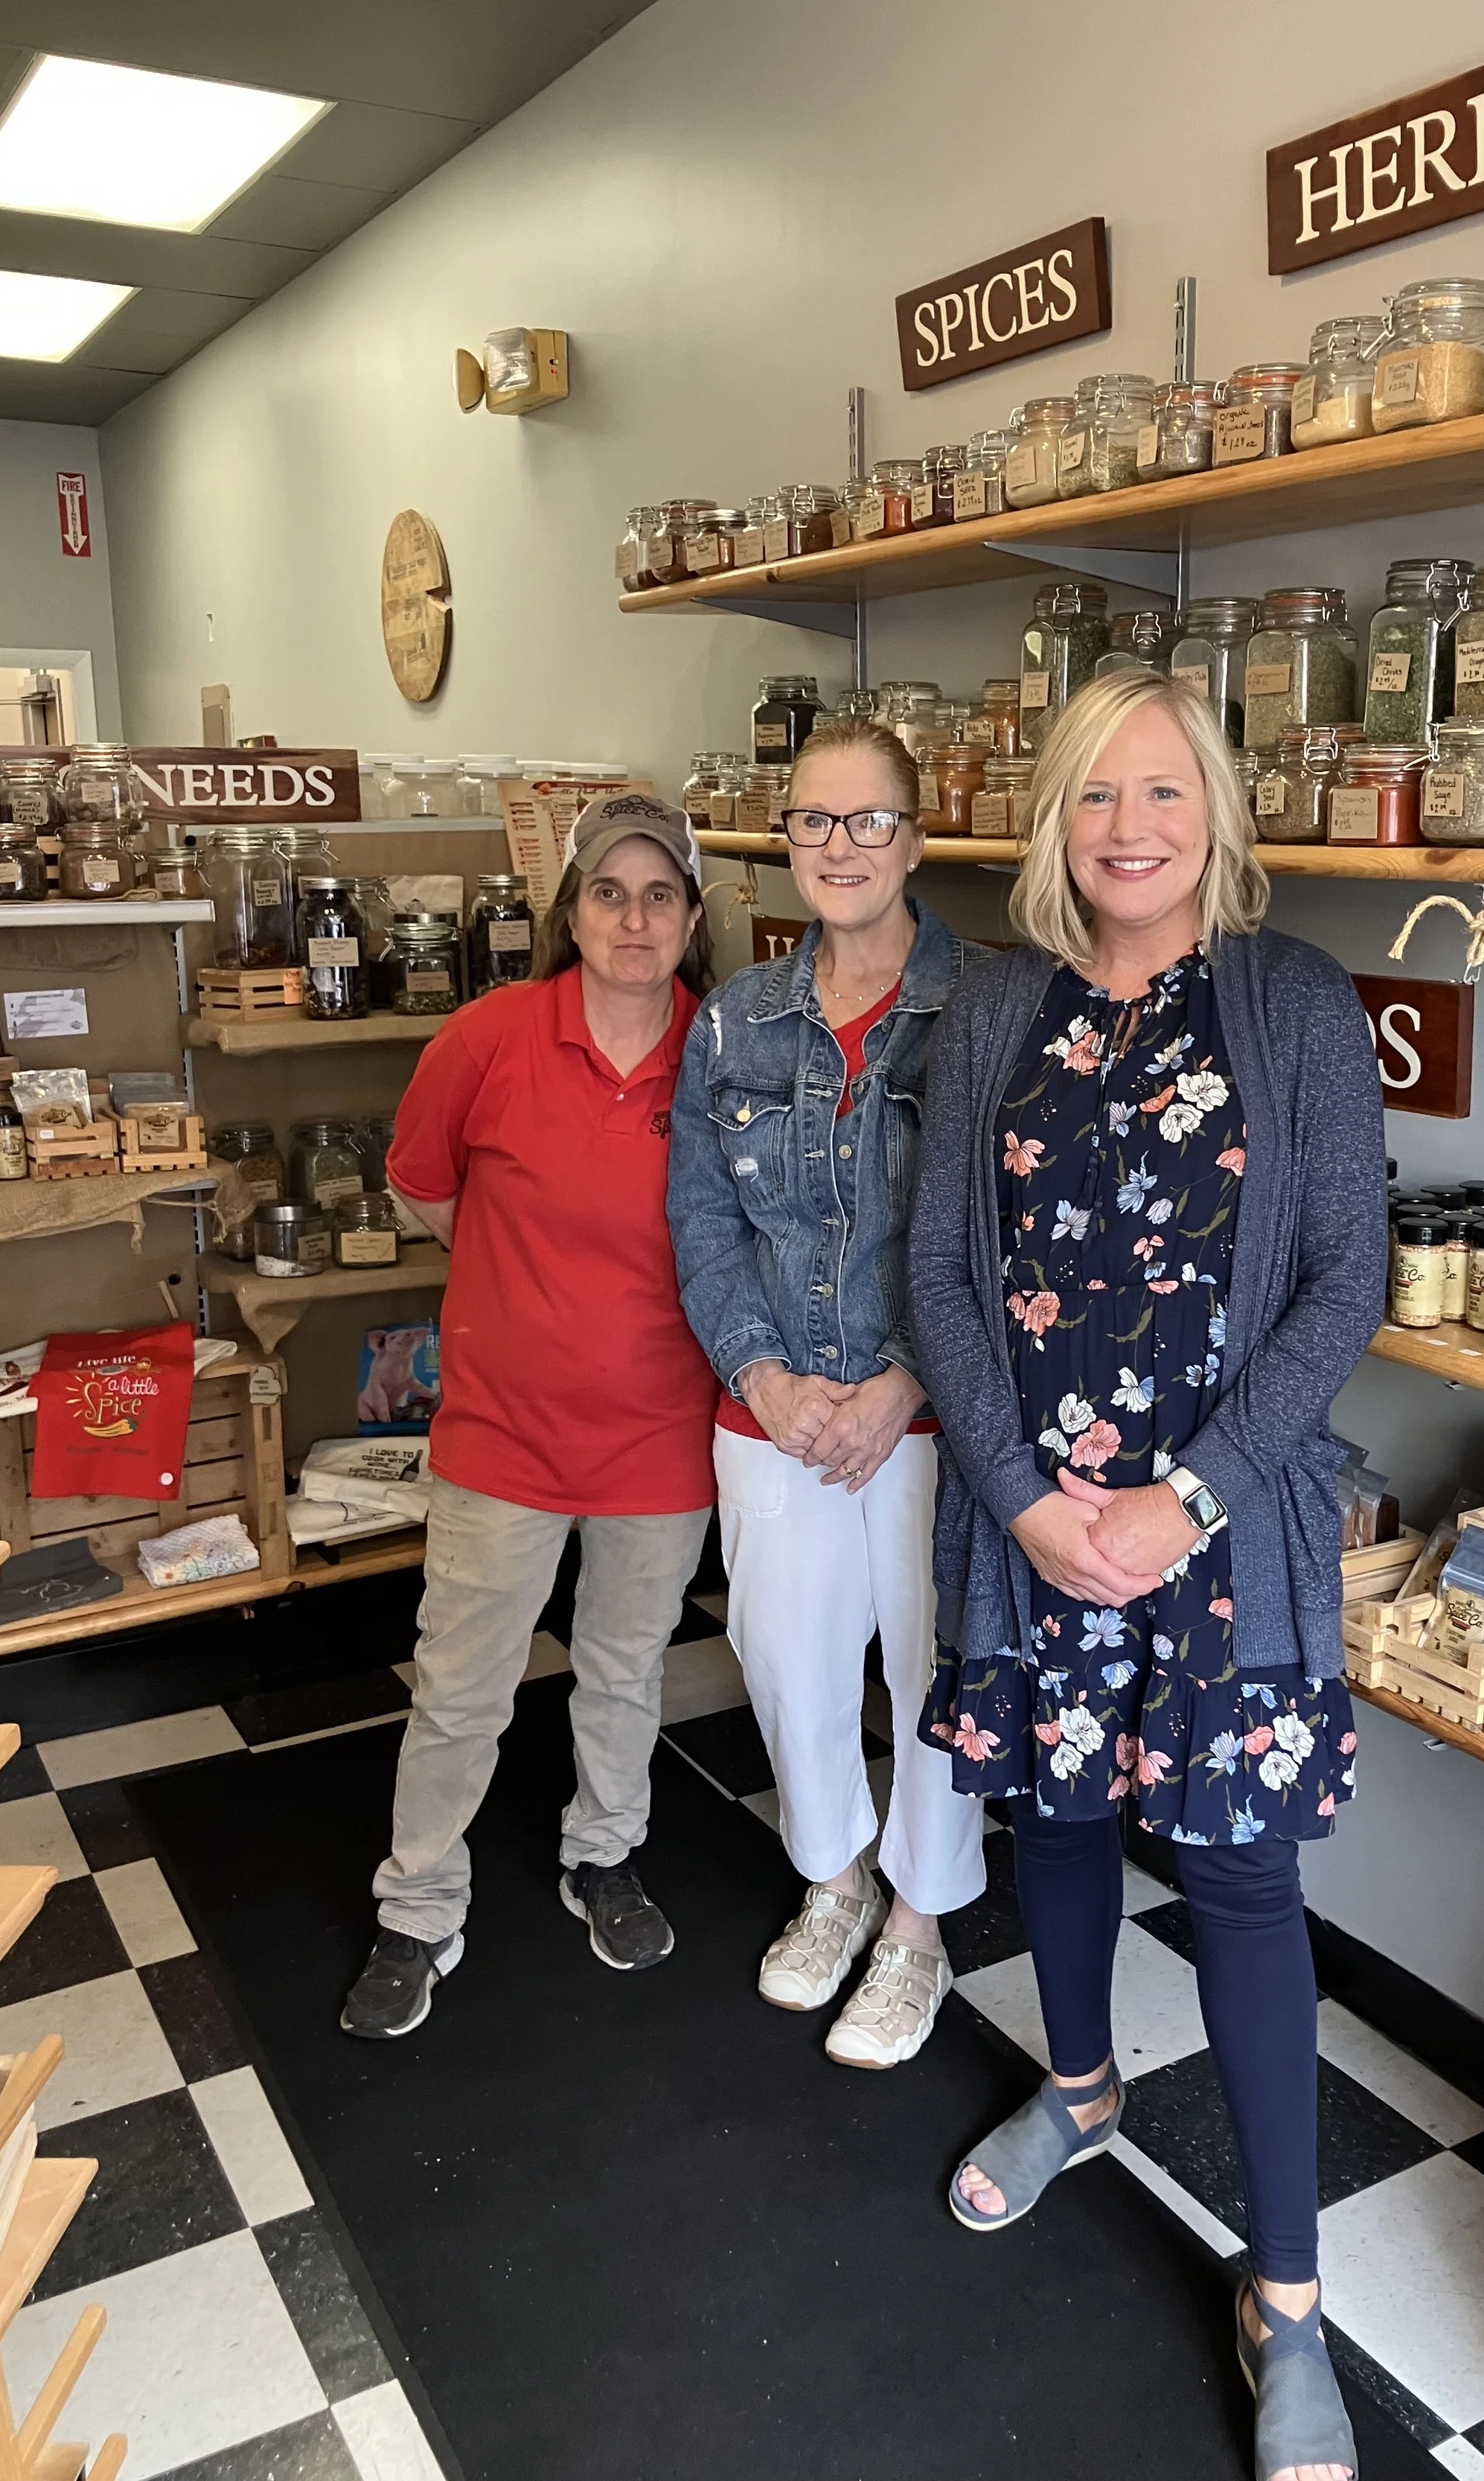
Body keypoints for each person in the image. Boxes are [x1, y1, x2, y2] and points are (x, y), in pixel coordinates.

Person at [911, 671, 1384, 2481]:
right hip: (1034, 1529)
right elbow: (940, 1280)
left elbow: (1344, 1277)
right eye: (1094, 793)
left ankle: (1286, 2293)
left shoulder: (1291, 1001)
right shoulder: (998, 1006)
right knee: (1051, 1822)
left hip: (1216, 1537)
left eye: (1162, 790)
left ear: (1217, 808)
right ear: (1053, 816)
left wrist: (1178, 1499)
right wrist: (1028, 1504)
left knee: (1243, 1884)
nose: (1127, 826)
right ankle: (1083, 2087)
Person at [342, 794, 720, 2039]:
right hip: (502, 1436)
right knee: (462, 1684)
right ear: (569, 912)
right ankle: (418, 1905)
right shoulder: (490, 1038)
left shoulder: (723, 1054)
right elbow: (425, 1191)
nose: (633, 917)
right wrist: (524, 1302)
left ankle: (602, 1855)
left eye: (659, 894)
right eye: (608, 893)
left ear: (692, 917)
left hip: (662, 1436)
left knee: (622, 1671)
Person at [668, 718, 985, 2070]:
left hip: (933, 1419)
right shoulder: (739, 1021)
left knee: (935, 1674)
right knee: (791, 1668)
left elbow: (1006, 1230)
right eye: (814, 822)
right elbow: (700, 1221)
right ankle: (835, 1882)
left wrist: (903, 1376)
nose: (841, 847)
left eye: (868, 822)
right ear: (782, 840)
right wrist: (766, 1375)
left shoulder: (990, 1006)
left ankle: (917, 1926)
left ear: (913, 840)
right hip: (773, 1414)